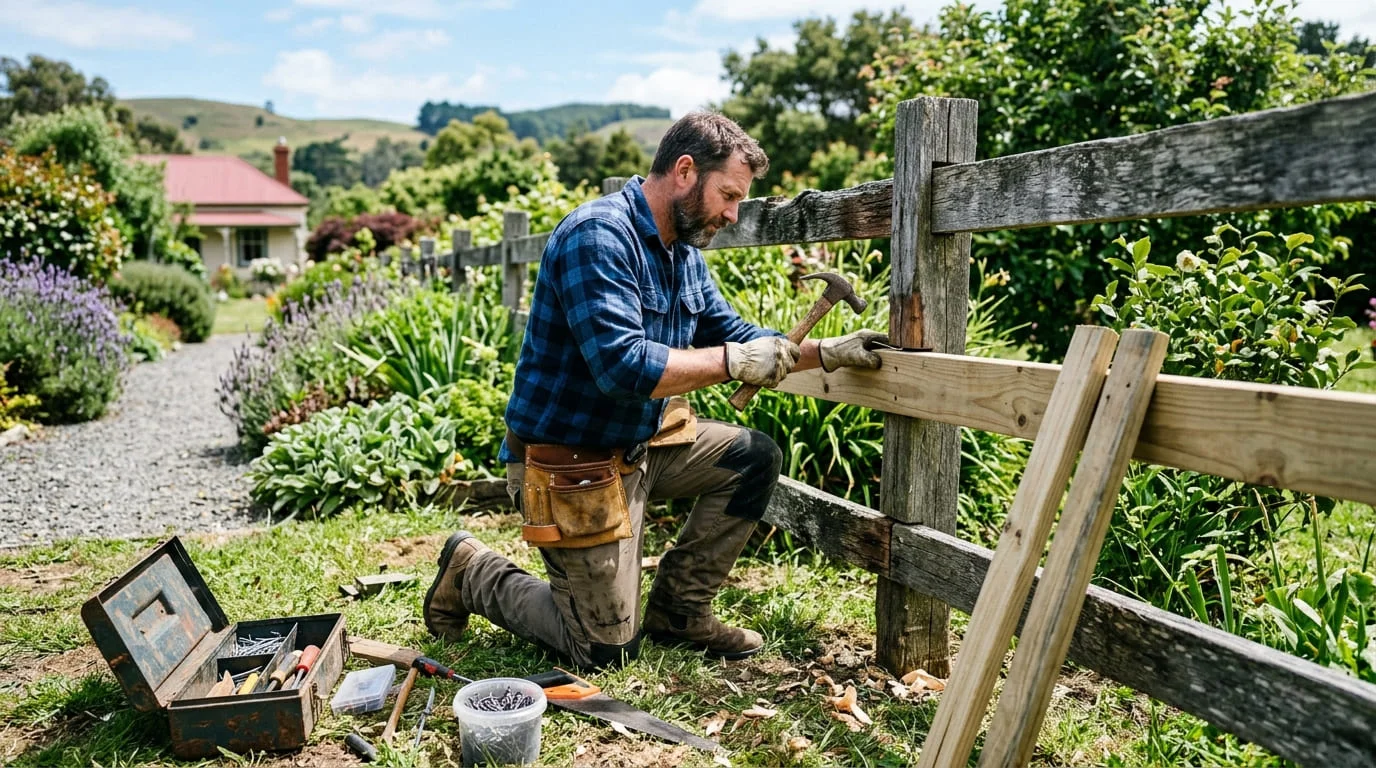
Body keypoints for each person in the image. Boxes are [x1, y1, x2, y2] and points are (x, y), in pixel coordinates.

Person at [423, 112, 886, 670]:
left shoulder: (682, 252)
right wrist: (735, 362)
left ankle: (681, 612)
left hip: (644, 448)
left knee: (751, 457)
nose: (733, 214)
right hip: (572, 467)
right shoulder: (597, 236)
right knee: (601, 651)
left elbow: (731, 335)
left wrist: (825, 352)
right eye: (729, 195)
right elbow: (621, 369)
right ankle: (473, 570)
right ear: (685, 171)